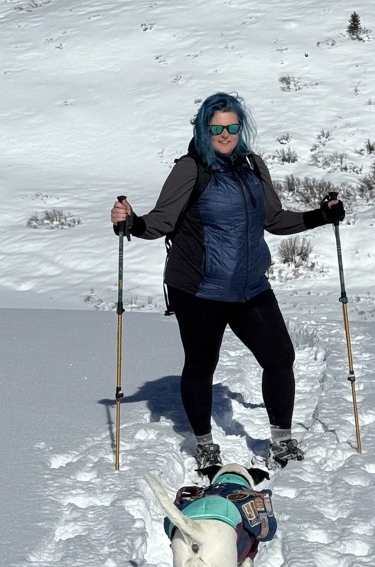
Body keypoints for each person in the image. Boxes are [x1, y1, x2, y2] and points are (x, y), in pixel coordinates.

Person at [111, 91, 345, 471]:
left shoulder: (253, 165)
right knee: (202, 366)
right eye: (216, 127)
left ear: (241, 128)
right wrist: (131, 223)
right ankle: (204, 444)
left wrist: (320, 216)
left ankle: (282, 440)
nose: (224, 134)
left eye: (232, 126)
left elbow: (274, 219)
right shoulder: (191, 168)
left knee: (280, 357)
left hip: (251, 287)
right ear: (204, 128)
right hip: (200, 289)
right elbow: (160, 222)